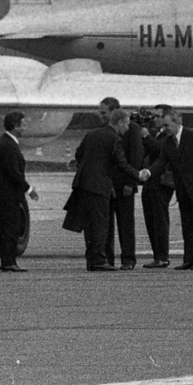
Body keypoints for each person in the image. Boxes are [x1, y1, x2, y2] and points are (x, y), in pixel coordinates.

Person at [63, 106, 147, 271]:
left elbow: (79, 154)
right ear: (120, 122)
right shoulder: (114, 139)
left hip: (83, 184)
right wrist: (138, 176)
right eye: (127, 124)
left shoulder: (92, 134)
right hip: (99, 186)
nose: (128, 128)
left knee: (90, 224)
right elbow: (122, 163)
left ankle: (92, 259)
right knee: (101, 224)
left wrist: (87, 168)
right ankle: (99, 261)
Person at [158, 106, 193, 270]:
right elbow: (161, 162)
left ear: (177, 123)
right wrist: (146, 172)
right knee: (188, 226)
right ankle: (189, 259)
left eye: (167, 126)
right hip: (183, 192)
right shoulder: (168, 142)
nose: (164, 129)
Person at [0, 111, 37, 272]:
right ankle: (8, 261)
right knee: (10, 228)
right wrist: (29, 189)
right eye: (23, 124)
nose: (25, 127)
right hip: (8, 194)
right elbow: (14, 172)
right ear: (16, 126)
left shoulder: (7, 143)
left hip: (8, 193)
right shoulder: (7, 145)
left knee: (8, 227)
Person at [106, 99, 147, 269]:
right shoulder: (106, 131)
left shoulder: (133, 130)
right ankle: (107, 259)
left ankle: (128, 259)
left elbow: (136, 157)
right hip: (109, 184)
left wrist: (131, 182)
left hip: (125, 184)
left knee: (126, 225)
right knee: (107, 225)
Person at [140, 105, 174, 268]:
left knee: (159, 219)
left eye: (157, 116)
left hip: (161, 182)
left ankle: (162, 256)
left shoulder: (167, 135)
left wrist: (146, 137)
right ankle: (158, 255)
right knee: (151, 219)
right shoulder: (157, 133)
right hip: (150, 181)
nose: (154, 119)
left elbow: (160, 151)